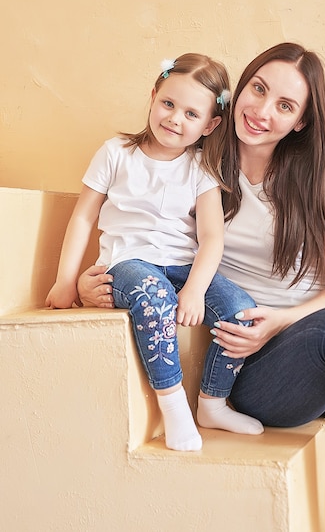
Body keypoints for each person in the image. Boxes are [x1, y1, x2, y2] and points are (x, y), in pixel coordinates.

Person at [78, 42, 325, 506]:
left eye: (284, 105)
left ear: (300, 121)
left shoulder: (318, 179)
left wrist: (279, 320)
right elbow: (139, 234)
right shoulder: (194, 164)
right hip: (247, 366)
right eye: (257, 89)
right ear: (238, 91)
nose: (260, 110)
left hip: (320, 341)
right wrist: (87, 282)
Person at [46, 52, 263, 453]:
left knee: (242, 312)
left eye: (191, 114)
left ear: (210, 124)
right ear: (153, 96)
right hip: (129, 262)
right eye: (168, 104)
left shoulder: (201, 168)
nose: (175, 119)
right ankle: (173, 403)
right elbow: (82, 218)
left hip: (182, 265)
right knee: (154, 297)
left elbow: (212, 237)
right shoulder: (115, 153)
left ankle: (213, 403)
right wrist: (64, 282)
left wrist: (196, 290)